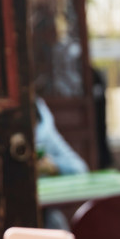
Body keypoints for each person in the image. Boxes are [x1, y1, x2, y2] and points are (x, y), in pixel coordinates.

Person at [34, 96, 89, 229]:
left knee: (55, 222)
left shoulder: (44, 135)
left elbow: (79, 169)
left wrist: (53, 166)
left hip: (43, 213)